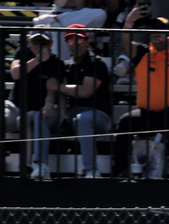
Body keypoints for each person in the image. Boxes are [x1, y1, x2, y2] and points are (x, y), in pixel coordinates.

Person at [113, 13, 169, 179]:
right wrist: (128, 22)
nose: (157, 32)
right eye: (154, 29)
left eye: (161, 29)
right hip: (146, 114)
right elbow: (126, 43)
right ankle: (119, 170)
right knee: (125, 122)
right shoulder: (142, 52)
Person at [56, 25, 111, 179]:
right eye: (71, 41)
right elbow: (60, 93)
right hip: (72, 113)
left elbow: (86, 90)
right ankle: (38, 165)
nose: (75, 44)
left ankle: (91, 170)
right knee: (41, 118)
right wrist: (61, 114)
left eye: (79, 40)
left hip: (99, 115)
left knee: (83, 120)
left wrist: (60, 86)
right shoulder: (66, 65)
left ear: (87, 42)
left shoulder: (97, 63)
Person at [9, 30, 64, 181]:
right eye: (35, 42)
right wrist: (38, 60)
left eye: (43, 43)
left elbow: (52, 89)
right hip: (16, 106)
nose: (38, 46)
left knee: (29, 118)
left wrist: (48, 103)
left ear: (51, 44)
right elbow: (15, 73)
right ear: (29, 42)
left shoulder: (56, 62)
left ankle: (28, 165)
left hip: (37, 110)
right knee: (6, 118)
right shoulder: (22, 53)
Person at [32, 0, 108, 61]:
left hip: (83, 20)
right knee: (57, 26)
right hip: (62, 21)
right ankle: (61, 69)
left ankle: (53, 18)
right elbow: (60, 3)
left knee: (101, 13)